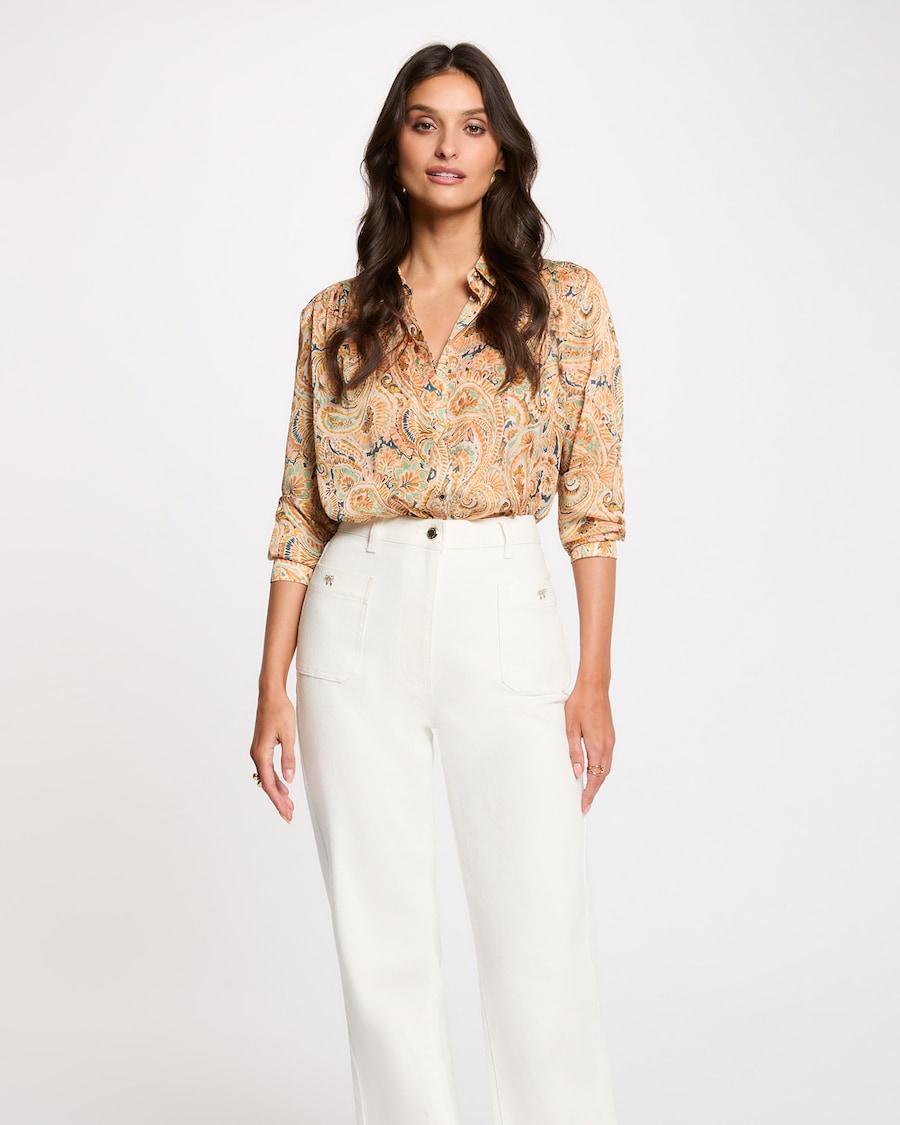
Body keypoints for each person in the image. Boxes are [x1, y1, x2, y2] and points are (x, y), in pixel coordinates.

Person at [249, 40, 625, 1125]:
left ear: (502, 153)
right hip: (354, 618)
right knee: (381, 943)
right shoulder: (333, 317)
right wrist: (271, 685)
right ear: (394, 150)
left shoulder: (564, 303)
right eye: (424, 123)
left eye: (472, 125)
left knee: (540, 928)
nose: (448, 145)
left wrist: (593, 677)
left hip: (502, 605)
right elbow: (300, 511)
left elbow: (595, 503)